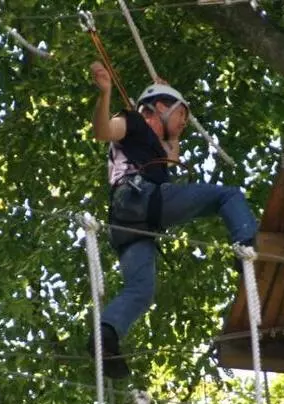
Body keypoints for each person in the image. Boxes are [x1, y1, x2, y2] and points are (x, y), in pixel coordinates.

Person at [88, 61, 257, 378]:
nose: (185, 122)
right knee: (228, 195)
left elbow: (171, 156)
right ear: (159, 108)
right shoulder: (133, 121)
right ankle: (247, 244)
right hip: (139, 199)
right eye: (182, 114)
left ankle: (106, 337)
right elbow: (102, 131)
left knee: (141, 290)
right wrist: (105, 93)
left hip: (129, 222)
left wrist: (167, 95)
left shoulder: (150, 146)